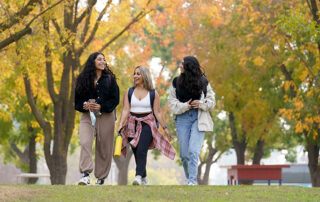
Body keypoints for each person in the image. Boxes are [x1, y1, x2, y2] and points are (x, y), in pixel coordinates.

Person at [118, 65, 175, 185]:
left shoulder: (153, 93)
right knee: (135, 150)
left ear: (145, 75)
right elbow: (125, 109)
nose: (135, 76)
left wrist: (165, 129)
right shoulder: (129, 91)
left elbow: (158, 112)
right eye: (135, 73)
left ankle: (138, 176)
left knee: (142, 149)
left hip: (148, 123)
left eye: (138, 74)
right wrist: (120, 124)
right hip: (131, 123)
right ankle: (144, 178)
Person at [168, 56, 215, 185]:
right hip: (182, 118)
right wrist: (185, 106)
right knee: (184, 155)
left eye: (182, 64)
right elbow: (171, 102)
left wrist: (200, 103)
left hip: (198, 118)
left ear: (189, 66)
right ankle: (190, 179)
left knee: (193, 151)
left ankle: (192, 181)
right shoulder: (176, 82)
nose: (180, 65)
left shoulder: (203, 82)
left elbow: (212, 102)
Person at [75, 52, 119, 185]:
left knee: (104, 147)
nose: (103, 61)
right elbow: (77, 101)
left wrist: (101, 106)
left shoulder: (110, 79)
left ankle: (101, 178)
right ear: (92, 61)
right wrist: (85, 105)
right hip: (87, 116)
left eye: (104, 60)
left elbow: (115, 99)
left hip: (106, 116)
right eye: (99, 59)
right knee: (85, 142)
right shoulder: (83, 78)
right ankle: (85, 175)